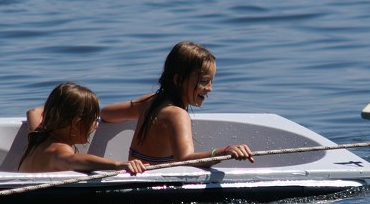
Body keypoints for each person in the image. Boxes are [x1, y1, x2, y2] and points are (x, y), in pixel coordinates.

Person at [101, 41, 254, 166]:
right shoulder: (177, 115)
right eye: (204, 81)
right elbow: (185, 159)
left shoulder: (150, 101)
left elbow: (106, 113)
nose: (209, 89)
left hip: (136, 177)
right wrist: (224, 151)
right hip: (154, 186)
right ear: (178, 80)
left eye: (211, 82)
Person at [19, 82, 147, 174]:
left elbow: (33, 111)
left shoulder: (37, 135)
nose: (96, 125)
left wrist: (60, 107)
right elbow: (72, 161)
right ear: (76, 123)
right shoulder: (59, 150)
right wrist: (118, 164)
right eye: (92, 120)